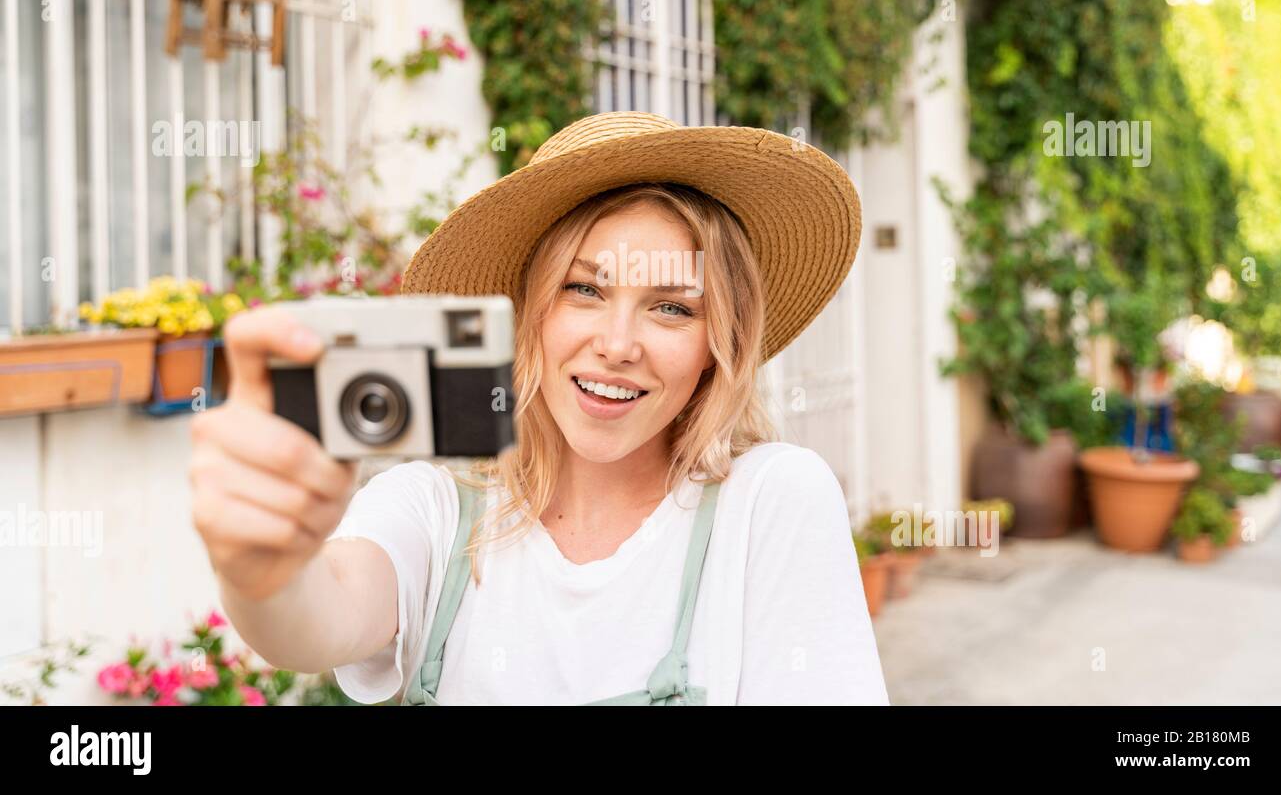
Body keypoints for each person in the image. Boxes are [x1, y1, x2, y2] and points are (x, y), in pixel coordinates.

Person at [189, 110, 890, 705]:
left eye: (672, 308)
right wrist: (262, 567)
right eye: (583, 290)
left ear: (719, 342)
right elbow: (318, 616)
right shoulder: (434, 511)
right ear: (525, 315)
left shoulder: (769, 502)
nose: (617, 345)